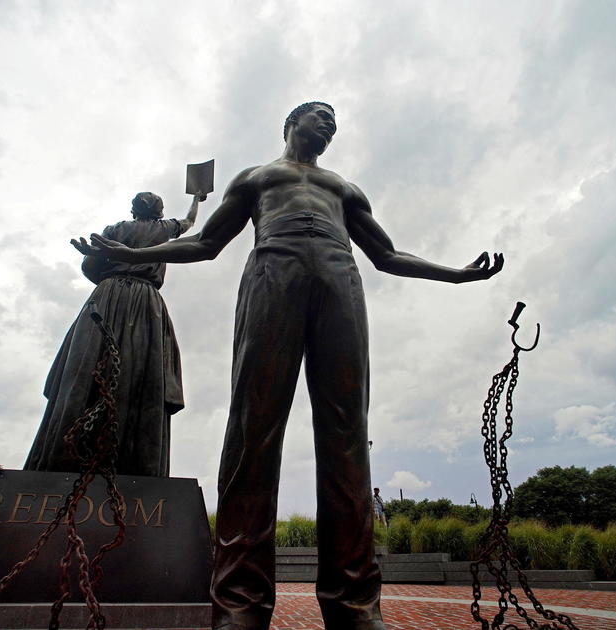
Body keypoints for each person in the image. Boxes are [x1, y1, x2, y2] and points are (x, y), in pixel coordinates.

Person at [76, 102, 502, 630]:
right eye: (319, 115)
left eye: (334, 122)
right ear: (291, 123)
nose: (328, 124)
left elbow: (388, 256)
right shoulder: (257, 177)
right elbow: (207, 243)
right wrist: (135, 253)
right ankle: (239, 605)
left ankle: (354, 605)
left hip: (339, 279)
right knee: (254, 429)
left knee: (347, 434)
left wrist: (456, 275)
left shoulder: (344, 188)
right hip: (272, 271)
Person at [25, 191, 203, 476]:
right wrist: (197, 199)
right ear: (159, 212)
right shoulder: (165, 229)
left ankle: (60, 458)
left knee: (85, 366)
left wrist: (110, 275)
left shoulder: (115, 229)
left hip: (106, 296)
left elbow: (90, 265)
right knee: (139, 371)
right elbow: (190, 222)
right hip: (146, 301)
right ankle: (134, 463)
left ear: (134, 211)